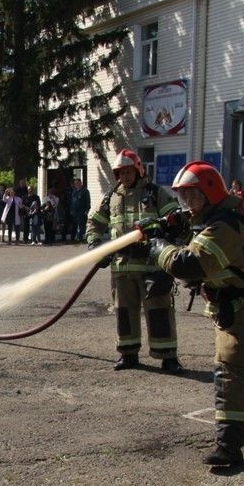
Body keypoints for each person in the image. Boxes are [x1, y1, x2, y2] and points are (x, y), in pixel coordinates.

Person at [144, 161, 244, 467]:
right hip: (233, 306)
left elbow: (188, 264)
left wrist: (158, 247)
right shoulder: (213, 221)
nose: (187, 204)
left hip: (241, 309)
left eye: (193, 196)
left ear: (211, 195)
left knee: (230, 370)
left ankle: (228, 446)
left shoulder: (224, 228)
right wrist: (165, 227)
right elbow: (193, 241)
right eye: (183, 196)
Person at [87, 149, 182, 373]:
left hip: (152, 266)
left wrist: (164, 228)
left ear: (138, 170)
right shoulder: (112, 196)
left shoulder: (154, 193)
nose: (125, 177)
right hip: (122, 268)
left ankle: (168, 356)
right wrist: (95, 244)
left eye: (129, 172)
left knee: (159, 310)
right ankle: (128, 354)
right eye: (121, 173)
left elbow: (175, 218)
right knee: (124, 312)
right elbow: (95, 223)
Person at [70, 178, 90, 244]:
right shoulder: (74, 191)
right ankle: (74, 239)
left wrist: (87, 210)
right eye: (75, 183)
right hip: (74, 211)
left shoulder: (85, 191)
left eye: (77, 183)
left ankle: (82, 239)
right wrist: (71, 210)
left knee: (82, 225)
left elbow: (88, 201)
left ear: (80, 183)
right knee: (74, 225)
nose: (76, 184)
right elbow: (72, 201)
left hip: (82, 211)